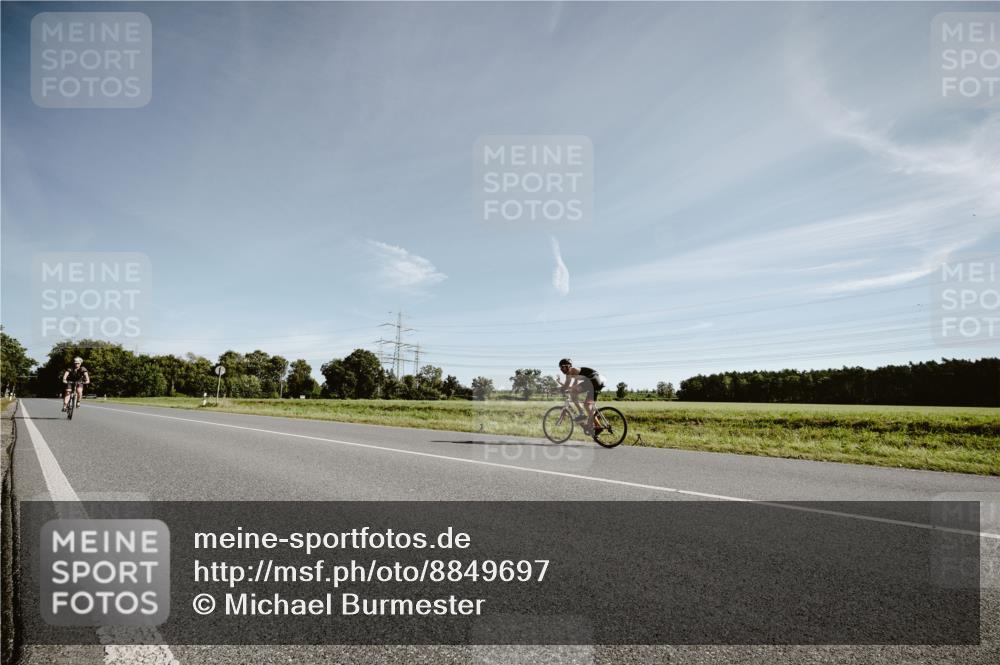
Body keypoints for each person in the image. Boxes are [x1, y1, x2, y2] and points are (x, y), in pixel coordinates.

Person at [558, 359, 605, 434]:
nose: (561, 369)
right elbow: (573, 385)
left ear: (568, 366)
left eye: (563, 367)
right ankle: (598, 426)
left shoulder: (572, 371)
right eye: (560, 368)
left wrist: (558, 390)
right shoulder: (574, 373)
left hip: (593, 380)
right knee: (587, 405)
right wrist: (565, 387)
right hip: (596, 381)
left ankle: (581, 413)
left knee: (574, 394)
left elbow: (567, 385)